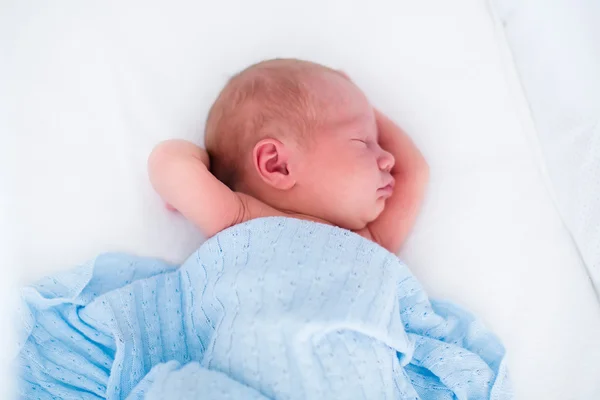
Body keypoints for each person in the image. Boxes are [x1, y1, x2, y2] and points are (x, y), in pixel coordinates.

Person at [148, 58, 429, 254]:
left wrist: (363, 106)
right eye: (363, 141)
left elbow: (413, 172)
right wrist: (207, 169)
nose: (389, 158)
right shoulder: (242, 220)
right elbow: (168, 162)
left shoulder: (369, 244)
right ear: (277, 165)